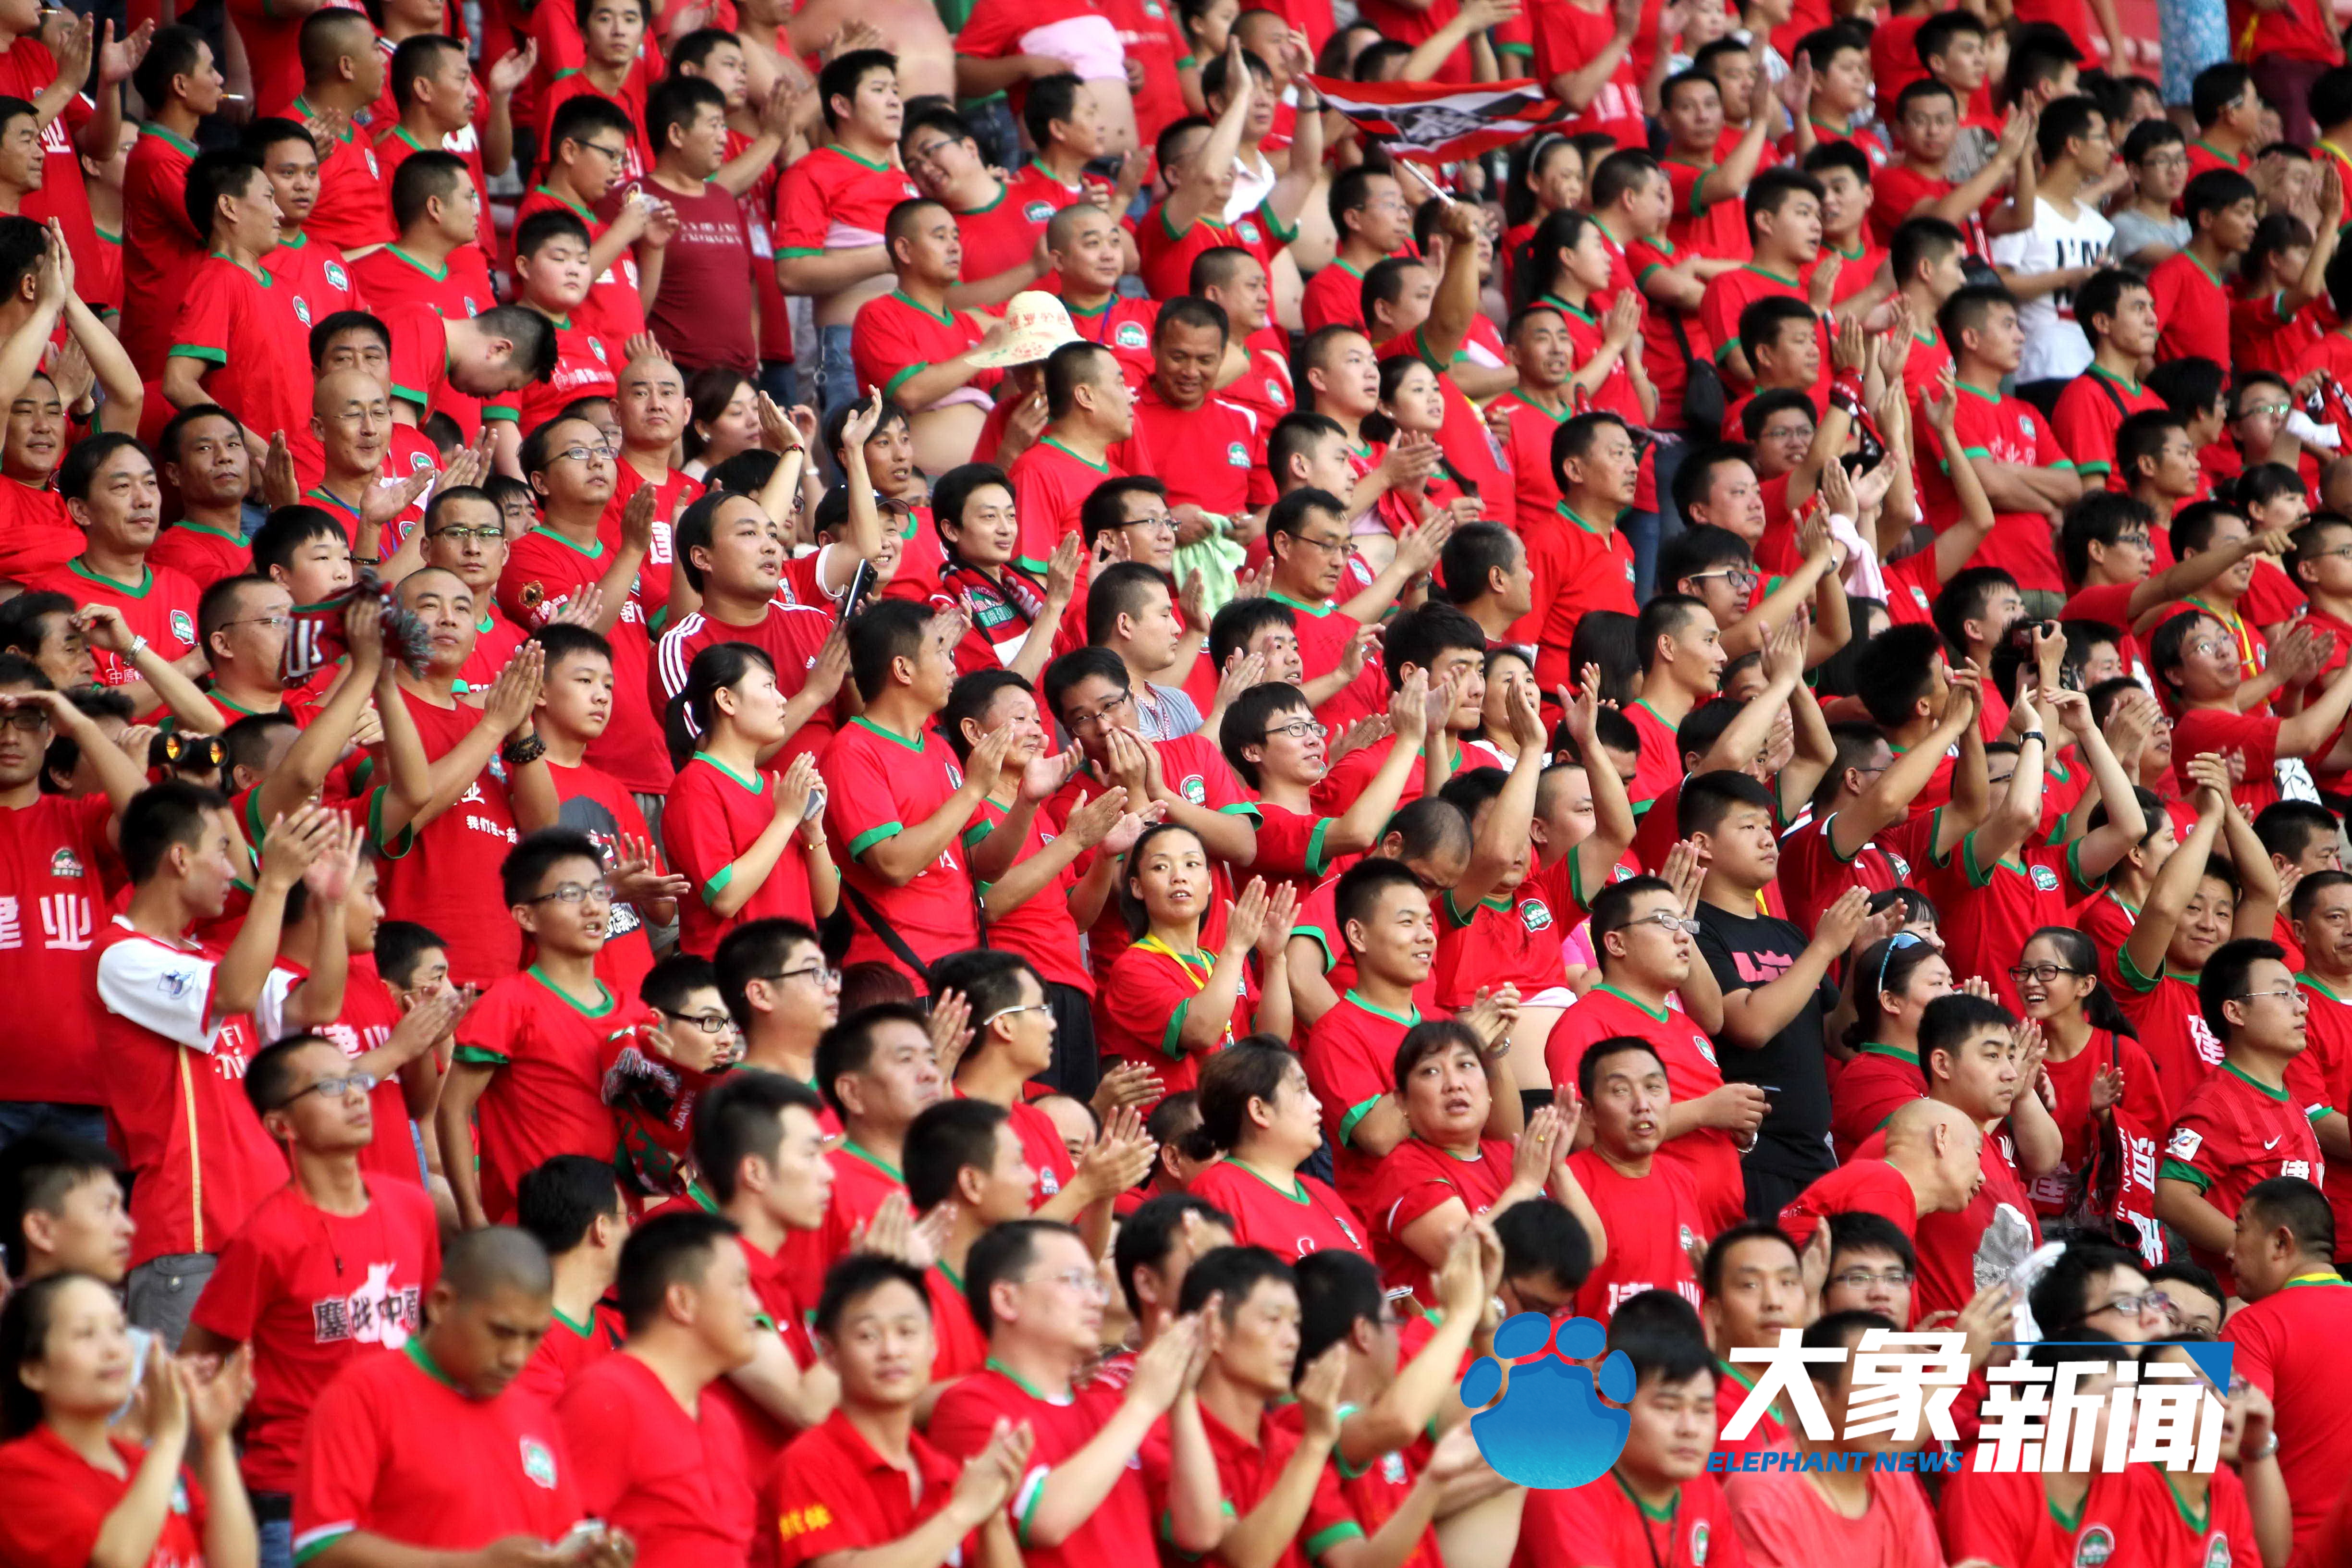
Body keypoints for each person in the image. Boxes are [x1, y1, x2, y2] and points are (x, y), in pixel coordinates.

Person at [181, 1034, 443, 1568]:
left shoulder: (413, 1208)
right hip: (297, 1498)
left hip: (404, 1486)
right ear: (282, 1125)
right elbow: (197, 1359)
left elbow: (431, 1333)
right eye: (329, 1087)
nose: (354, 1096)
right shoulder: (266, 1238)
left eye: (356, 1080)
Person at [291, 1227, 632, 1568]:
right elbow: (320, 1550)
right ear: (442, 1304)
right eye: (501, 1332)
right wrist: (474, 1564)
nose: (516, 1356)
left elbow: (560, 1543)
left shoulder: (535, 1415)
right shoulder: (363, 1394)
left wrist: (589, 1560)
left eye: (533, 1338)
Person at [763, 1253, 1026, 1568]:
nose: (892, 1350)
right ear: (830, 1354)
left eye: (907, 1331)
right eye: (868, 1335)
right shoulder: (806, 1464)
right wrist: (963, 1512)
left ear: (933, 1345)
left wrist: (992, 1511)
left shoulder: (944, 1473)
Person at [438, 830, 640, 1229]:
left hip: (619, 1230)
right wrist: (472, 1216)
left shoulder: (634, 1009)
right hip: (536, 1230)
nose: (592, 908)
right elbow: (452, 1108)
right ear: (526, 916)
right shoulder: (508, 1003)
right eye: (569, 895)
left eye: (599, 892)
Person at [0, 1273, 259, 1568]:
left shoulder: (148, 1463)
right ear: (33, 1371)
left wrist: (217, 1437)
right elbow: (116, 1561)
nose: (113, 1350)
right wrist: (169, 1436)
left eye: (119, 1330)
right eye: (86, 1333)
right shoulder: (17, 1471)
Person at [0, 652, 147, 1144]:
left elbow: (148, 819)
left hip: (86, 1092)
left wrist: (79, 724)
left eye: (26, 720)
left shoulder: (80, 820)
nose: (10, 736)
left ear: (49, 733)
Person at [555, 1211, 758, 1568]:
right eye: (739, 1285)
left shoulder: (719, 1419)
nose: (755, 1306)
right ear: (682, 1302)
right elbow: (551, 1547)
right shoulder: (608, 1398)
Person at [822, 600, 997, 985]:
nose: (953, 667)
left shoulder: (939, 747)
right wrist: (972, 790)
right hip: (901, 975)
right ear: (902, 669)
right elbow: (893, 864)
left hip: (964, 966)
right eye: (940, 651)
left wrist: (1031, 804)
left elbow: (983, 864)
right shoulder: (852, 750)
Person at [2158, 938, 2328, 1296]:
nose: (2301, 1008)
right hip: (2241, 1312)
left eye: (2300, 995)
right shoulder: (2217, 1102)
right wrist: (2254, 1254)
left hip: (2295, 1303)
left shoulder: (2287, 1098)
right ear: (2235, 1013)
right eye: (2283, 995)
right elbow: (2171, 1196)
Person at [662, 643, 838, 957]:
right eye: (769, 686)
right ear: (727, 700)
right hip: (737, 983)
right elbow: (725, 897)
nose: (782, 699)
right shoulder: (695, 785)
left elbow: (826, 904)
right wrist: (785, 820)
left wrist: (814, 831)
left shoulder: (777, 787)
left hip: (794, 975)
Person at [1519, 1325, 1741, 1563]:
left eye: (1703, 1410)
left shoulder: (1703, 1490)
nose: (1690, 1429)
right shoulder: (1566, 1488)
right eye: (1668, 1407)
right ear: (1616, 1404)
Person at [2221, 1175, 2352, 1558]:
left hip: (2289, 1552)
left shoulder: (2251, 1326)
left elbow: (2225, 1450)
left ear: (2281, 1242)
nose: (2229, 1252)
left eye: (2240, 1229)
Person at [1188, 1039, 1373, 1262]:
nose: (1317, 1105)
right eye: (1302, 1091)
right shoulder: (1219, 1191)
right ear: (1259, 1110)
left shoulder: (1321, 1193)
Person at [1564, 1036, 1704, 1322]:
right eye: (1620, 1091)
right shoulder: (1567, 1180)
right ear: (1589, 1112)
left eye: (1654, 1087)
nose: (1643, 1105)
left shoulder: (1682, 1179)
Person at [511, 1154, 630, 1402]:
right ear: (602, 1229)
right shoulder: (527, 1340)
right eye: (626, 1218)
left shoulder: (618, 1325)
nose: (632, 1231)